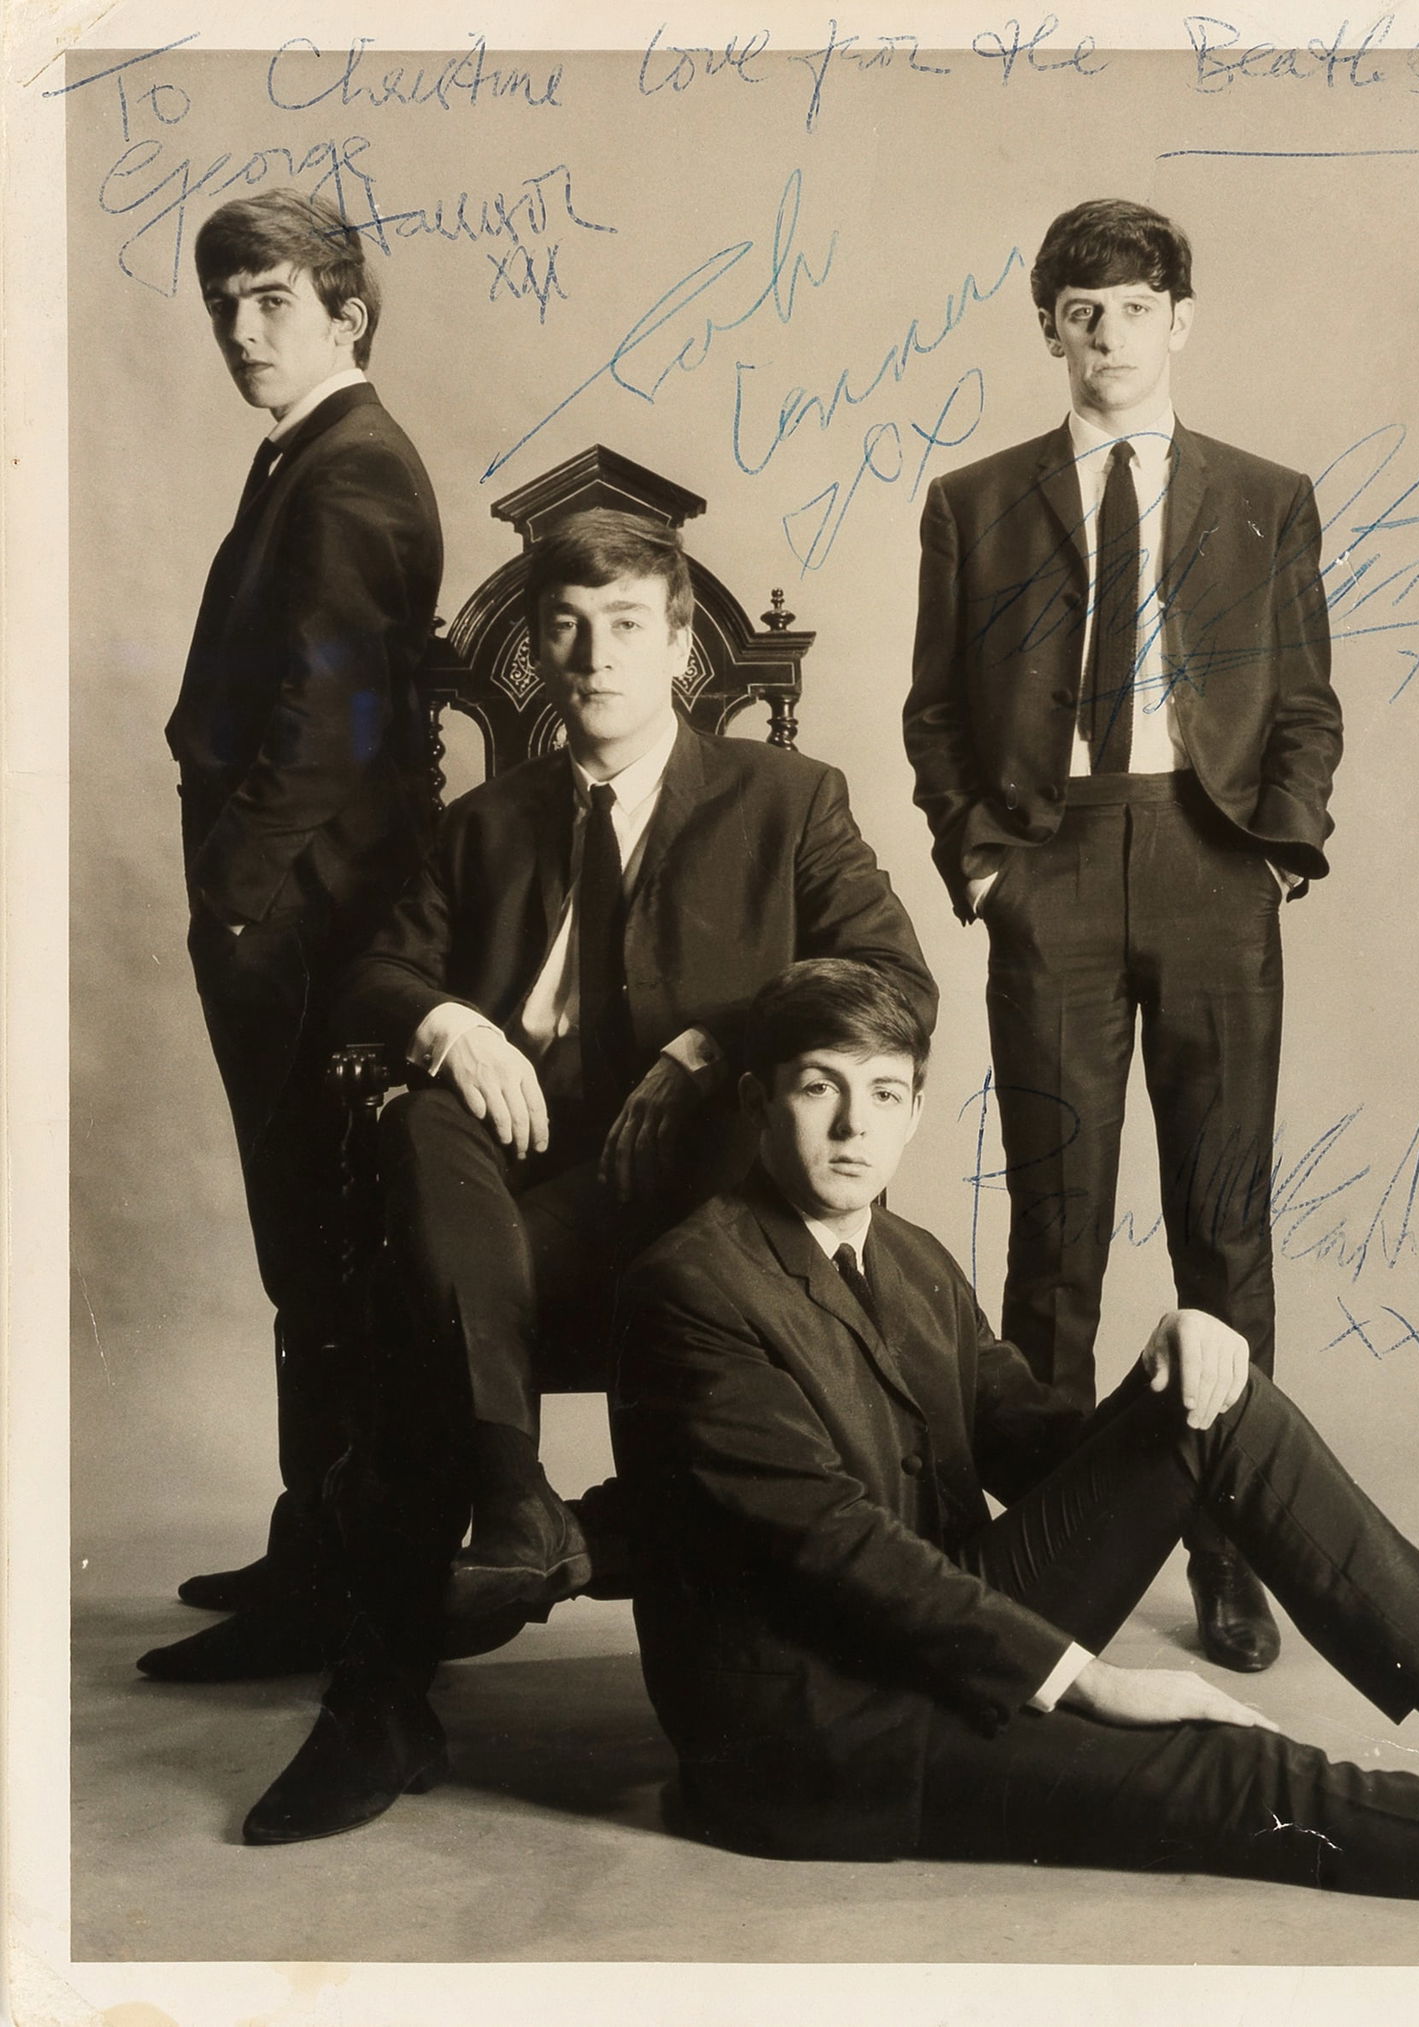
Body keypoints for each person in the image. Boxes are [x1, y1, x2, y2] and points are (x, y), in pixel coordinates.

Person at [155, 510, 937, 1843]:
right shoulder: (486, 823)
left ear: (682, 646)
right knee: (421, 1135)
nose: (593, 656)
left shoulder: (788, 800)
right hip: (520, 1200)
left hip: (700, 1196)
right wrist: (448, 1021)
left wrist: (719, 1040)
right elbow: (377, 972)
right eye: (565, 627)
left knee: (432, 1293)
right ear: (538, 647)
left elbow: (892, 980)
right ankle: (505, 1509)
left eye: (627, 624)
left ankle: (382, 1688)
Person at [610, 960, 1419, 1906]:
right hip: (827, 1724)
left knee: (1217, 1399)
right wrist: (1090, 1680)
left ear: (916, 1110)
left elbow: (1038, 1443)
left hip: (939, 1633)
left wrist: (1170, 1370)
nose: (855, 1127)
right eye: (819, 1088)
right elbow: (835, 1547)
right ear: (759, 1101)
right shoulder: (693, 1286)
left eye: (884, 1092)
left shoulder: (910, 1257)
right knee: (1238, 1771)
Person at [903, 197, 1344, 1674]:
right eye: (1080, 311)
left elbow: (1306, 705)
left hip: (1217, 862)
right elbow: (933, 713)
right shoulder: (974, 502)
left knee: (1225, 1222)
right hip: (1055, 861)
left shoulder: (1265, 495)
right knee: (1056, 1232)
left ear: (1182, 321)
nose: (1108, 335)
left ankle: (1228, 1548)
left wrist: (1274, 853)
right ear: (1049, 329)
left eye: (1135, 306)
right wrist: (985, 865)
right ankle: (1055, 1548)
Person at [162, 189, 442, 1631]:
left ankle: (332, 1581)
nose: (241, 329)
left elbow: (329, 725)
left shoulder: (351, 468)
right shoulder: (313, 458)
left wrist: (230, 896)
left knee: (327, 1253)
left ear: (349, 313)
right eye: (225, 304)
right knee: (312, 1255)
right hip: (297, 916)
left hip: (312, 925)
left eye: (272, 300)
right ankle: (312, 1554)